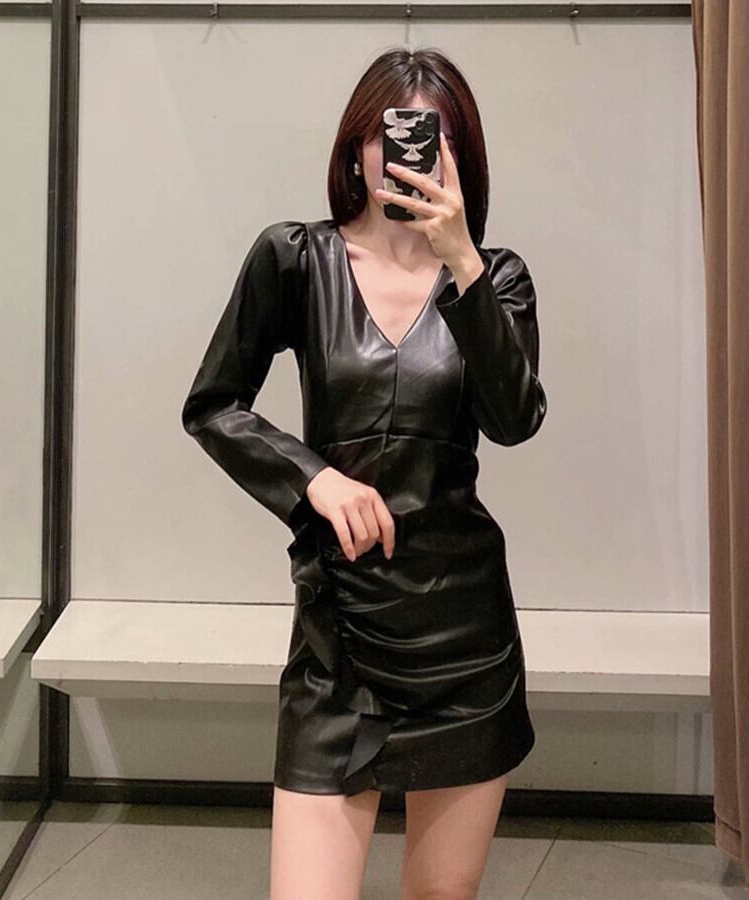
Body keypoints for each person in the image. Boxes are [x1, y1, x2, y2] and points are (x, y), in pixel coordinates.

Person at [181, 46, 547, 900]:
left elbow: (514, 419)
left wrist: (461, 261)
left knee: (440, 896)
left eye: (432, 137)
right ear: (357, 149)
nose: (407, 154)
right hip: (341, 635)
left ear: (459, 156)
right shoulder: (295, 259)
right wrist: (313, 477)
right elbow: (213, 404)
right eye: (391, 134)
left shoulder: (497, 278)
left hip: (464, 637)